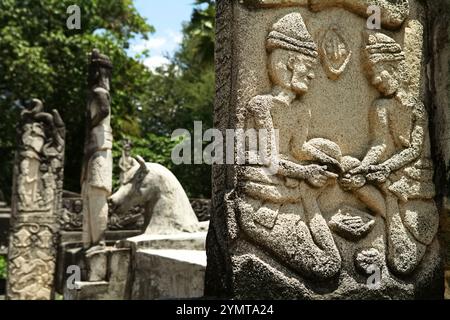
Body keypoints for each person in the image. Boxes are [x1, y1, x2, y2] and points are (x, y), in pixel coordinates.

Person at [239, 13, 342, 279]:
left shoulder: (300, 110)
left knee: (331, 263)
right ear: (288, 62)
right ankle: (254, 270)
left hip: (293, 190)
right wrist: (308, 173)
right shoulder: (261, 105)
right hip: (265, 201)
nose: (312, 74)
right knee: (325, 266)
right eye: (308, 65)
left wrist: (327, 161)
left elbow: (299, 149)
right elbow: (271, 159)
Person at [341, 33, 438, 275]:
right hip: (388, 168)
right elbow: (380, 145)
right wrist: (363, 167)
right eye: (371, 75)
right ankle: (387, 215)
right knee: (350, 165)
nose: (376, 80)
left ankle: (389, 219)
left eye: (379, 71)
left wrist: (387, 168)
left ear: (395, 67)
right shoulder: (380, 107)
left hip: (414, 171)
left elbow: (414, 149)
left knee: (387, 184)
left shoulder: (416, 107)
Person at [81, 49, 113, 252]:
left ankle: (98, 241)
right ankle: (91, 241)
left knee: (97, 192)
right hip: (95, 148)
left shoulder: (99, 93)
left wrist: (91, 125)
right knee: (90, 192)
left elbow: (103, 110)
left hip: (100, 147)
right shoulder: (97, 92)